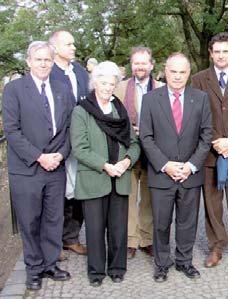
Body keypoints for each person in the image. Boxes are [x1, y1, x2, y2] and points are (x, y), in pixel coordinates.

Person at [2, 41, 73, 290]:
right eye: (39, 59)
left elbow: (68, 127)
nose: (44, 64)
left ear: (53, 63)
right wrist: (39, 156)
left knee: (54, 218)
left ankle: (50, 264)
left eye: (48, 60)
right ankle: (33, 268)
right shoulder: (13, 90)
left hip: (56, 166)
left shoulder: (62, 88)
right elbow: (12, 130)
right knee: (30, 220)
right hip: (28, 168)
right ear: (29, 62)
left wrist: (61, 155)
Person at [140, 53, 212, 282]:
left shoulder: (200, 98)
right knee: (161, 223)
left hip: (190, 174)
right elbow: (146, 137)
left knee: (188, 222)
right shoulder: (151, 99)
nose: (178, 76)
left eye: (182, 72)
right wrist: (165, 165)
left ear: (188, 73)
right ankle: (162, 264)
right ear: (165, 71)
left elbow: (206, 135)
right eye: (173, 71)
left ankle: (184, 261)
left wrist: (191, 166)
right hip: (162, 174)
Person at [70, 61, 140, 287]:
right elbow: (79, 148)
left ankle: (117, 268)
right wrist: (105, 165)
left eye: (112, 83)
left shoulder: (120, 110)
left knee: (118, 228)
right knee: (95, 228)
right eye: (103, 82)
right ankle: (96, 272)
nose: (107, 87)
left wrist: (127, 161)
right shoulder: (82, 111)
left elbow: (134, 143)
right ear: (94, 82)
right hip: (95, 178)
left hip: (119, 178)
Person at [192, 33, 228, 270]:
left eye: (225, 51)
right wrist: (218, 141)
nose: (220, 55)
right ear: (211, 53)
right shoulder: (198, 80)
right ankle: (216, 246)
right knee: (212, 205)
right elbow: (198, 114)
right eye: (216, 51)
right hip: (210, 153)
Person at [114, 46, 164, 259]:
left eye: (144, 63)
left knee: (150, 197)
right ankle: (131, 239)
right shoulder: (120, 88)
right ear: (131, 65)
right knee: (129, 195)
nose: (140, 67)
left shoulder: (162, 87)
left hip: (154, 149)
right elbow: (112, 118)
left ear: (151, 65)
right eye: (136, 63)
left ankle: (146, 238)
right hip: (128, 150)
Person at [49, 29, 90, 257]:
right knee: (57, 194)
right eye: (69, 44)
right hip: (57, 144)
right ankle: (53, 242)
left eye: (74, 44)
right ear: (55, 48)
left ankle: (71, 237)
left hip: (81, 142)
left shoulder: (80, 72)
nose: (74, 48)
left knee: (79, 192)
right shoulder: (49, 73)